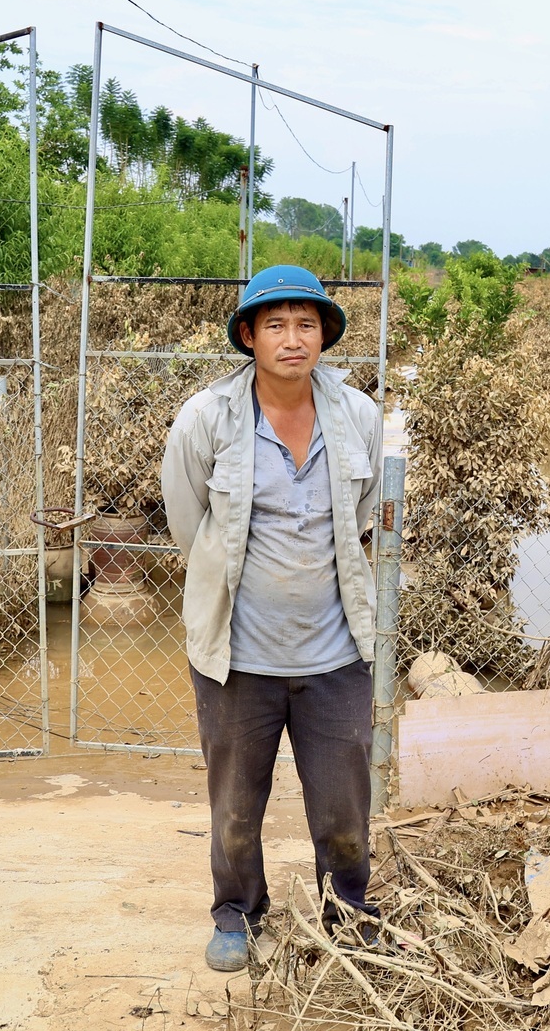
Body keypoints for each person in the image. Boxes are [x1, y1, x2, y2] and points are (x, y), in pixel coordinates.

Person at [161, 265, 384, 973]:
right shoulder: (207, 420)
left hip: (335, 656)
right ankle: (237, 912)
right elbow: (189, 524)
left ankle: (347, 910)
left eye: (307, 324)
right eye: (277, 324)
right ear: (249, 335)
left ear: (325, 335)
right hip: (238, 659)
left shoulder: (359, 418)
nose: (294, 338)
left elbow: (358, 519)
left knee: (344, 812)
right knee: (234, 806)